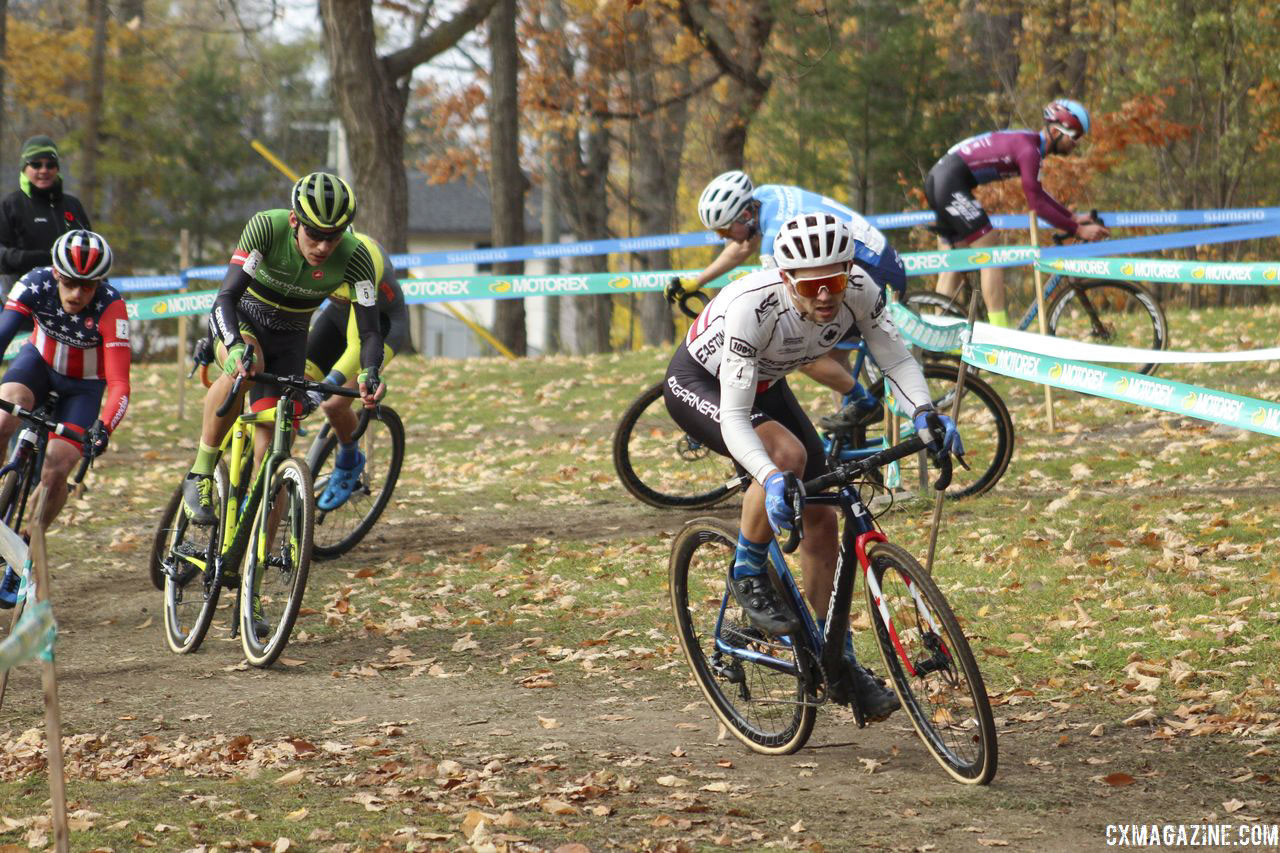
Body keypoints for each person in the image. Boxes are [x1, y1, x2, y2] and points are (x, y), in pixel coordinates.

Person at [662, 212, 963, 721]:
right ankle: (749, 571)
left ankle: (830, 655)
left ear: (849, 270)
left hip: (767, 384)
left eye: (836, 281)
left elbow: (897, 360)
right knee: (787, 457)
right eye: (813, 286)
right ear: (786, 280)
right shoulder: (751, 308)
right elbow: (736, 418)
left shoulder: (861, 291)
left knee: (823, 515)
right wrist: (773, 477)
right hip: (702, 386)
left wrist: (925, 413)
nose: (827, 296)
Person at [180, 172, 385, 526]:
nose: (323, 246)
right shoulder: (266, 229)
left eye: (333, 237)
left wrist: (370, 371)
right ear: (295, 220)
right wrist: (232, 347)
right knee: (247, 366)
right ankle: (201, 471)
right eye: (315, 234)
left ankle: (255, 567)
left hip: (290, 341)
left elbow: (369, 331)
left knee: (272, 459)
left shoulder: (356, 257)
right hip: (241, 322)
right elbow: (226, 297)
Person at [667, 171, 907, 426]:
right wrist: (698, 280)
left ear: (746, 215)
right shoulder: (762, 197)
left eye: (724, 229)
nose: (721, 237)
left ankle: (865, 403)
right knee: (828, 353)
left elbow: (778, 296)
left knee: (802, 352)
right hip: (876, 258)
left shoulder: (776, 232)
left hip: (871, 272)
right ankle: (850, 431)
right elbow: (744, 245)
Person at [0, 230, 126, 607]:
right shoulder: (34, 284)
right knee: (5, 411)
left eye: (87, 287)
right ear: (55, 274)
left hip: (84, 387)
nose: (77, 295)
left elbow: (120, 383)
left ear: (99, 284)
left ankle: (22, 551)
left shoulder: (111, 307)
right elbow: (4, 332)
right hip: (38, 365)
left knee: (58, 467)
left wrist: (103, 429)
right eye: (70, 284)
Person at [925, 99, 1110, 327]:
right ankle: (1000, 333)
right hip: (949, 182)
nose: (1075, 145)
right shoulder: (1029, 150)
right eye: (1074, 137)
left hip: (940, 179)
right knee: (990, 250)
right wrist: (1079, 230)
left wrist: (1072, 218)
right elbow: (1036, 205)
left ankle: (937, 333)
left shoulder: (1030, 145)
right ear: (1055, 131)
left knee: (953, 262)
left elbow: (1038, 193)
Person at [303, 231, 407, 510]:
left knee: (334, 403)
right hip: (338, 315)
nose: (323, 250)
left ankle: (350, 459)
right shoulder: (306, 249)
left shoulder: (362, 259)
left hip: (380, 326)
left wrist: (323, 386)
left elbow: (357, 344)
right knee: (291, 391)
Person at [0, 136, 93, 291]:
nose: (44, 170)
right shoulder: (10, 205)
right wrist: (41, 258)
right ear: (24, 168)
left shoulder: (72, 205)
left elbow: (92, 251)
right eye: (36, 164)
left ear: (57, 169)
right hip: (23, 295)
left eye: (50, 165)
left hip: (70, 297)